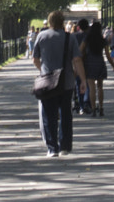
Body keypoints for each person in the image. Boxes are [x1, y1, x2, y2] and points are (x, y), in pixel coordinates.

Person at [29, 9, 86, 159]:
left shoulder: (41, 36)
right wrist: (83, 80)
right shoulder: (70, 38)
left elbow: (35, 59)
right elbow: (77, 60)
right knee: (66, 114)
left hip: (47, 82)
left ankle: (52, 148)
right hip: (66, 82)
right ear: (62, 22)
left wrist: (44, 70)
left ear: (49, 22)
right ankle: (65, 146)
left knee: (49, 115)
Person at [80, 17, 108, 116]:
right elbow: (108, 55)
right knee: (100, 86)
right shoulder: (102, 40)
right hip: (100, 62)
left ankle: (93, 109)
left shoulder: (87, 38)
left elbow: (81, 49)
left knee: (91, 87)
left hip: (90, 62)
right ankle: (101, 107)